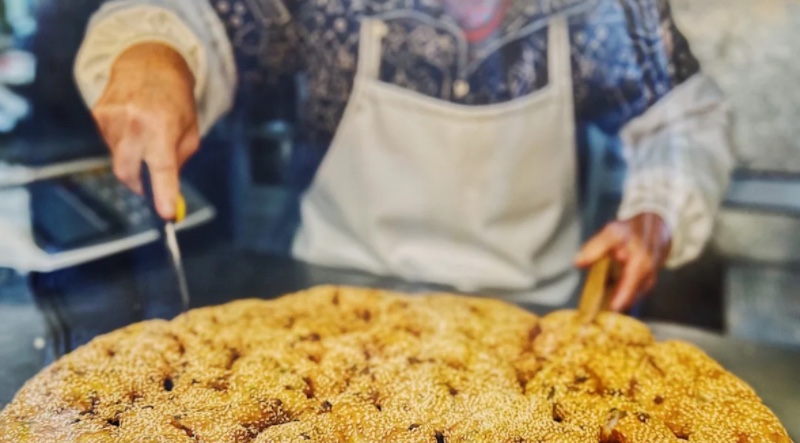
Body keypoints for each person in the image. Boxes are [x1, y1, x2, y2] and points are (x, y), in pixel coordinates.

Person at [73, 0, 733, 311]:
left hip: (533, 321)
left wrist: (659, 209)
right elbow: (198, 19)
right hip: (328, 311)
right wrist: (153, 54)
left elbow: (682, 119)